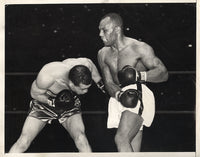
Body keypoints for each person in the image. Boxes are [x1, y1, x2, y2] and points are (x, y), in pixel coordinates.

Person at [97, 13, 168, 152]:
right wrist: (118, 95)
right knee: (131, 147)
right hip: (119, 97)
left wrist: (138, 75)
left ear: (117, 30)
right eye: (99, 30)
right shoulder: (102, 53)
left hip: (138, 92)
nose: (100, 34)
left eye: (104, 30)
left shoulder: (139, 48)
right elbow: (109, 83)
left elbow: (163, 73)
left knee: (121, 138)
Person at [9, 57, 105, 153]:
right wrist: (53, 102)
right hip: (44, 102)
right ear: (71, 84)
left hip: (70, 103)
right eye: (83, 89)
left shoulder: (84, 64)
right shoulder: (48, 75)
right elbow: (34, 94)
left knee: (81, 140)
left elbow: (90, 63)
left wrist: (100, 84)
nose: (86, 91)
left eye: (87, 88)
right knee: (23, 141)